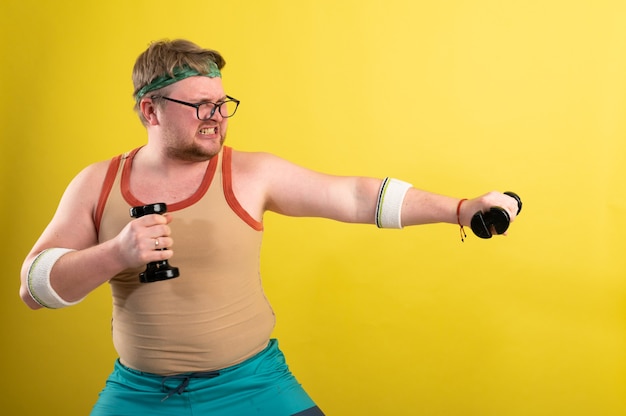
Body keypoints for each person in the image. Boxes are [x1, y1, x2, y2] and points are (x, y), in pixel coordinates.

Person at [19, 39, 520, 416]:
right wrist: (117, 254)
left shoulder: (250, 173)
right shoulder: (96, 183)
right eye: (198, 106)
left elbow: (353, 195)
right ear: (149, 110)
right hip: (139, 394)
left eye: (220, 103)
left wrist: (460, 208)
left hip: (253, 387)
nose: (215, 117)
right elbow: (34, 288)